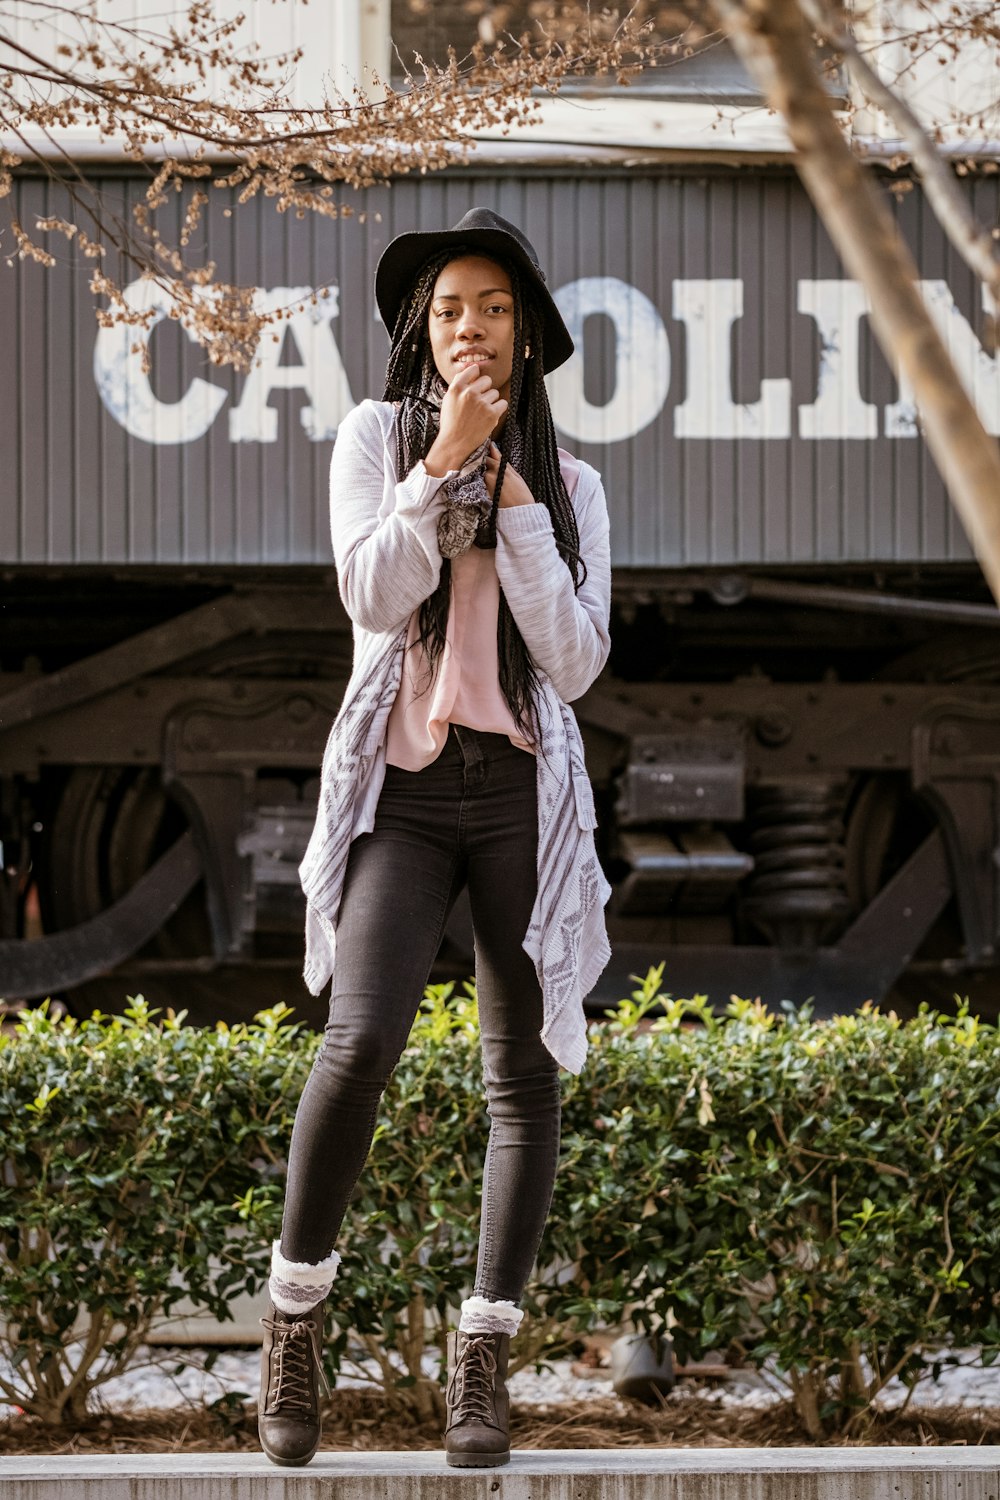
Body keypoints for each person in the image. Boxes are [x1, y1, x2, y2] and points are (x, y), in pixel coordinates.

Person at [256, 207, 612, 1469]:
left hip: (515, 793)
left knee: (522, 1076)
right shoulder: (371, 440)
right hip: (404, 793)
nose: (470, 327)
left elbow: (572, 664)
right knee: (358, 1044)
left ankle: (483, 1358)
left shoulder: (570, 484)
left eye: (495, 308)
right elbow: (368, 591)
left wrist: (509, 497)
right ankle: (294, 1323)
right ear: (422, 329)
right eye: (451, 308)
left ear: (525, 338)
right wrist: (440, 465)